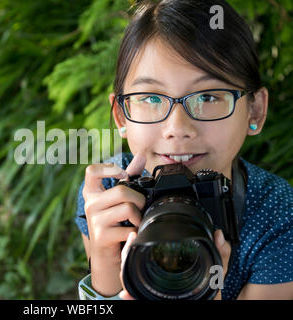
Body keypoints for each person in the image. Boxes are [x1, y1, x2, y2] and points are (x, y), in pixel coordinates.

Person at [75, 0, 293, 300]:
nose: (177, 127)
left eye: (207, 96)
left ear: (254, 111)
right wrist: (105, 272)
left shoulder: (278, 215)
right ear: (121, 116)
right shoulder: (110, 194)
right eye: (151, 98)